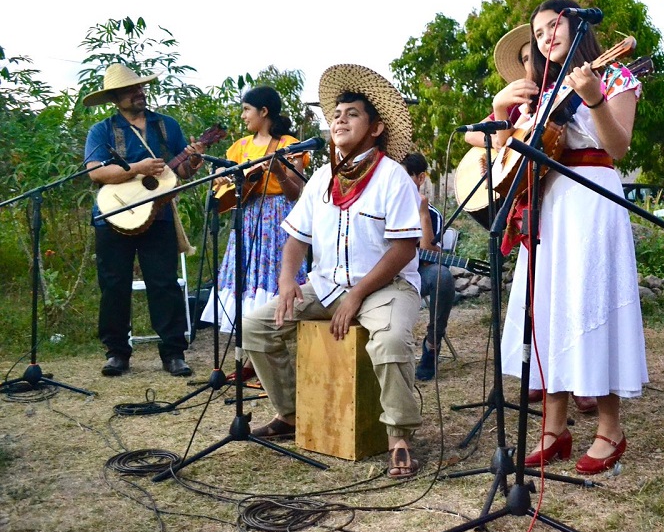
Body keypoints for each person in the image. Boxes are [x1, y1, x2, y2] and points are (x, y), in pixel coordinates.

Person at [243, 64, 425, 478]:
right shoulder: (322, 178)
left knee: (391, 341)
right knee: (256, 326)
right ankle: (291, 414)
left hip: (385, 288)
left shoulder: (393, 177)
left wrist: (357, 295)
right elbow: (296, 238)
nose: (340, 120)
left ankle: (399, 437)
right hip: (326, 286)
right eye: (336, 114)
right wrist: (287, 280)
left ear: (376, 128)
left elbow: (403, 249)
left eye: (352, 114)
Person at [498, 0, 648, 474]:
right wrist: (503, 112)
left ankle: (610, 430)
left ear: (578, 26)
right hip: (550, 201)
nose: (547, 36)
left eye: (554, 25)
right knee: (549, 309)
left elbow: (618, 147)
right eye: (539, 32)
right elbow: (508, 157)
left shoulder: (615, 76)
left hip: (593, 197)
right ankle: (553, 429)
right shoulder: (540, 93)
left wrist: (594, 98)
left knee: (592, 304)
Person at [473, 23, 598, 414]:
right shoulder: (521, 100)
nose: (531, 61)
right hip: (533, 197)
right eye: (525, 57)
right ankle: (541, 374)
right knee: (537, 292)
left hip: (566, 193)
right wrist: (500, 112)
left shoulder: (558, 93)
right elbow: (480, 137)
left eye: (534, 55)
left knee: (571, 287)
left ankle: (579, 379)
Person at [83, 63, 205, 377]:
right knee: (114, 285)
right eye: (130, 90)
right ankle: (116, 353)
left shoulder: (166, 126)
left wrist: (193, 159)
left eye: (139, 87)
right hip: (112, 216)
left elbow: (180, 173)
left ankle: (173, 352)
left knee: (164, 283)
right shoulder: (102, 130)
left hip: (158, 215)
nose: (138, 92)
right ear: (115, 98)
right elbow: (96, 172)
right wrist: (137, 169)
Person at [200, 86, 308, 350]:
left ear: (264, 111)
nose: (243, 116)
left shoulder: (289, 145)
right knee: (246, 280)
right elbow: (225, 181)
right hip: (247, 218)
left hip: (278, 220)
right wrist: (222, 180)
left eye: (247, 109)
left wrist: (279, 172)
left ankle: (268, 347)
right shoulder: (240, 147)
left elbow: (294, 193)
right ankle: (247, 353)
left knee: (272, 278)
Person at [401, 152, 457, 381]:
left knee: (442, 276)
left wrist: (423, 215)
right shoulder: (382, 206)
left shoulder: (432, 214)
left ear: (420, 178)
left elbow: (430, 257)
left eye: (404, 177)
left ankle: (432, 345)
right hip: (383, 276)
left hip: (417, 275)